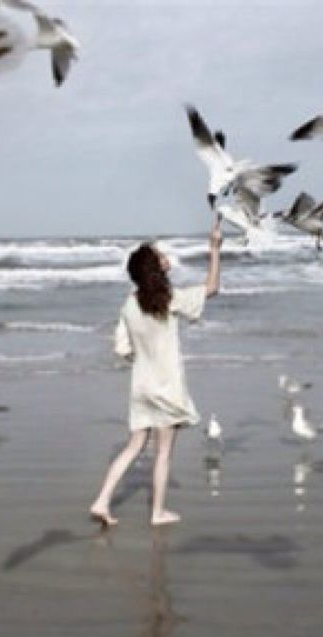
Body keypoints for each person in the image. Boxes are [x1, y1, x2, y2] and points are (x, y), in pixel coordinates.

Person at [90, 216, 222, 527]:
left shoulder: (129, 304)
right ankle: (158, 512)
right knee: (163, 453)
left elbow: (122, 348)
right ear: (155, 267)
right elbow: (212, 288)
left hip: (141, 385)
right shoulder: (168, 299)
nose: (166, 258)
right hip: (166, 385)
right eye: (161, 256)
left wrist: (143, 356)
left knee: (134, 446)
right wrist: (215, 249)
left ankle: (102, 500)